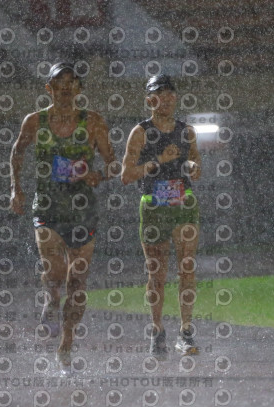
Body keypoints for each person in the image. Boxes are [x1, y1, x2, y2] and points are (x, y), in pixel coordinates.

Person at [10, 62, 116, 373]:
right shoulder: (35, 121)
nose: (66, 88)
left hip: (83, 212)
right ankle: (51, 299)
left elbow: (114, 164)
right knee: (55, 271)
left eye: (72, 82)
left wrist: (99, 175)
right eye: (60, 82)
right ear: (49, 89)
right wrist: (16, 188)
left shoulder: (93, 122)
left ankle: (67, 343)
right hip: (48, 208)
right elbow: (17, 151)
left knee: (78, 281)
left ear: (79, 88)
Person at [121, 74, 202, 358]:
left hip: (183, 203)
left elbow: (196, 164)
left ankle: (186, 332)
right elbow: (126, 175)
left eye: (170, 95)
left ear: (176, 98)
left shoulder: (186, 131)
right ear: (149, 100)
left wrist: (192, 166)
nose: (166, 100)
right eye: (159, 95)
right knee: (156, 273)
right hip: (154, 205)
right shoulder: (140, 132)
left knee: (187, 268)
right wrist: (159, 161)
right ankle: (157, 332)